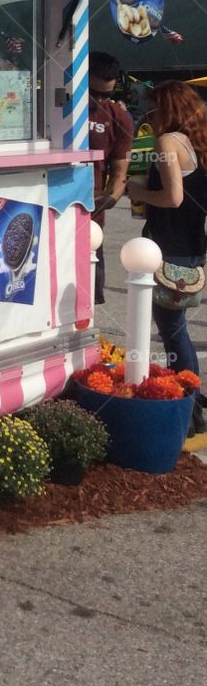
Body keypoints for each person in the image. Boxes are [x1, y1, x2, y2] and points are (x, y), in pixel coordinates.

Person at [125, 81, 207, 434]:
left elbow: (172, 197)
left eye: (154, 107)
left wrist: (137, 189)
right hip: (191, 245)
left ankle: (188, 410)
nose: (149, 114)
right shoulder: (197, 142)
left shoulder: (167, 143)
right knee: (176, 329)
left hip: (167, 244)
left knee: (173, 333)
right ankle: (192, 404)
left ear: (168, 108)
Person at [88, 52, 133, 304]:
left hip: (92, 215)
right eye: (95, 93)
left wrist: (112, 196)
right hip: (47, 205)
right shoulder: (52, 105)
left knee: (90, 291)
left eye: (107, 95)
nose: (101, 100)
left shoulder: (118, 116)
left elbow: (119, 168)